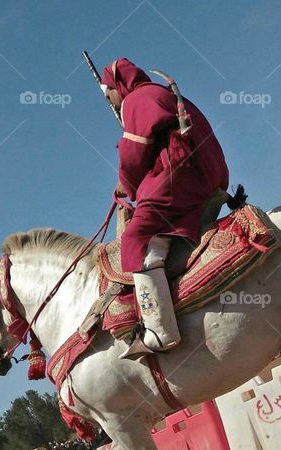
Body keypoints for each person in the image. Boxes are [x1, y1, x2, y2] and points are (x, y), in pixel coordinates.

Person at [101, 58, 229, 356]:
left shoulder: (137, 99)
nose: (111, 101)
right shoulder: (161, 93)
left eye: (109, 94)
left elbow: (134, 157)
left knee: (136, 239)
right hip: (206, 174)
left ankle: (159, 331)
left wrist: (126, 184)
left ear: (119, 86)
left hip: (179, 179)